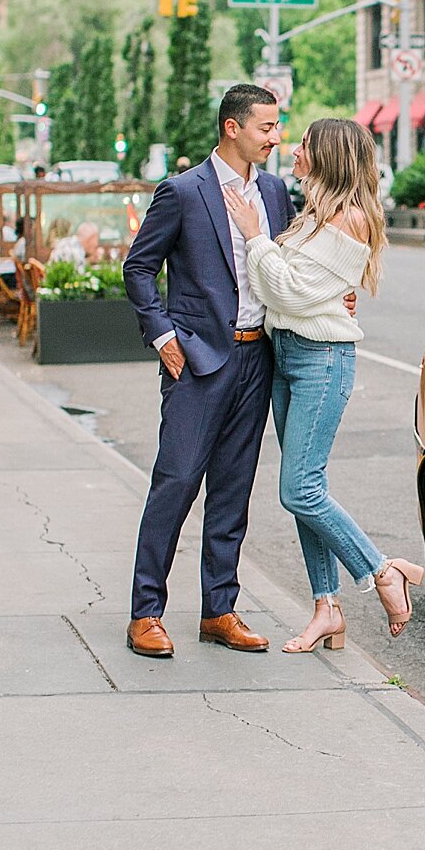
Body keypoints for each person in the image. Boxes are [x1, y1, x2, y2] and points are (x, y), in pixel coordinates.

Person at [223, 118, 423, 651]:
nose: (293, 149)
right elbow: (285, 292)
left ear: (327, 154)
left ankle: (382, 571)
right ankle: (326, 609)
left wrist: (254, 237)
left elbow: (287, 290)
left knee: (299, 490)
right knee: (306, 489)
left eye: (304, 144)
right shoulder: (312, 216)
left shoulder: (351, 219)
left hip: (321, 362)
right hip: (286, 356)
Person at [122, 84, 295, 658]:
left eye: (276, 127)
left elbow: (287, 267)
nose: (275, 137)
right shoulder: (183, 192)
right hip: (197, 361)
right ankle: (145, 612)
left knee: (233, 490)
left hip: (255, 356)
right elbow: (139, 268)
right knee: (175, 483)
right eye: (266, 127)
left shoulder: (273, 191)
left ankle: (218, 609)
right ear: (232, 127)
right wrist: (164, 335)